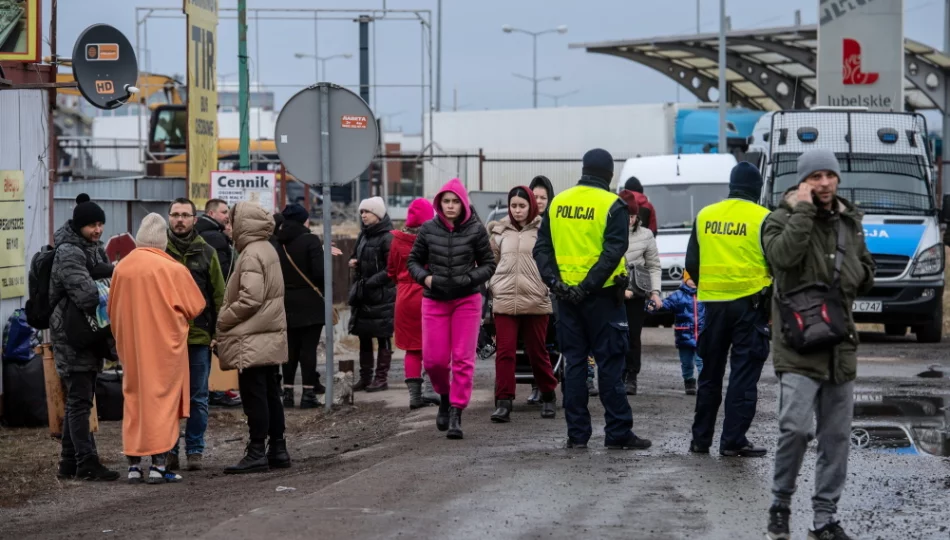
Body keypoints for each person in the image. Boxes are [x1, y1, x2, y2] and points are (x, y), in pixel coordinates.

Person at [762, 149, 874, 540]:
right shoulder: (779, 219)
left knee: (836, 438)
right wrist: (804, 212)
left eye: (830, 175)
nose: (824, 183)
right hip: (796, 345)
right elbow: (782, 259)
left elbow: (864, 269)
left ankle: (825, 519)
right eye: (816, 177)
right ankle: (780, 502)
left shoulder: (850, 222)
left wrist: (859, 273)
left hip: (840, 346)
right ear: (803, 181)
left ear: (837, 179)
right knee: (794, 429)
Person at [534, 148, 651, 451]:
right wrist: (586, 287)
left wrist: (556, 283)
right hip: (602, 299)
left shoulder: (558, 202)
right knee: (610, 364)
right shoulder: (613, 205)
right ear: (609, 174)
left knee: (574, 365)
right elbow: (613, 252)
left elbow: (542, 249)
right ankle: (617, 433)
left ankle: (577, 435)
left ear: (583, 170)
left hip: (566, 300)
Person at [109, 214, 206, 484]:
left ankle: (132, 466)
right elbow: (196, 306)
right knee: (163, 403)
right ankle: (158, 465)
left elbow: (111, 308)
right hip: (165, 348)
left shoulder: (122, 268)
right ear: (163, 240)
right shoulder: (172, 269)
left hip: (131, 347)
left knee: (135, 401)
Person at [684, 162, 772, 458]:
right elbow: (778, 265)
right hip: (750, 308)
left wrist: (711, 288)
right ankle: (732, 440)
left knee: (709, 374)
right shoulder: (764, 218)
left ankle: (700, 440)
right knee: (743, 376)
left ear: (731, 186)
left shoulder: (705, 215)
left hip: (713, 308)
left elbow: (692, 264)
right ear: (757, 189)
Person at [407, 178, 496, 440]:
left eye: (455, 201)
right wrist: (426, 278)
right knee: (434, 361)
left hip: (466, 301)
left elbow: (489, 264)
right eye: (446, 201)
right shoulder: (427, 230)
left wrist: (470, 279)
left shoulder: (476, 230)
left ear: (463, 204)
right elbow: (413, 261)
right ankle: (444, 397)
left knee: (462, 359)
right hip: (434, 300)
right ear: (439, 203)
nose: (450, 206)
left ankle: (457, 411)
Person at [50, 194, 120, 481]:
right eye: (92, 225)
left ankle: (69, 462)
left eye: (100, 224)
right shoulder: (69, 252)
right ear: (79, 226)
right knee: (80, 401)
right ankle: (87, 462)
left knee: (79, 399)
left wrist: (103, 272)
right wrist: (106, 275)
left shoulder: (93, 249)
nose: (98, 230)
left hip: (88, 334)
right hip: (73, 336)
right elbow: (88, 295)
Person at [217, 202, 290, 474]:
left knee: (254, 393)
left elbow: (250, 298)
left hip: (253, 337)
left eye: (231, 221)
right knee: (271, 392)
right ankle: (278, 448)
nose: (227, 226)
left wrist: (224, 318)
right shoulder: (267, 248)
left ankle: (257, 450)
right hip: (268, 334)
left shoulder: (249, 254)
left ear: (243, 224)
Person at [164, 198, 226, 472]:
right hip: (164, 340)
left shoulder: (207, 252)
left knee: (198, 398)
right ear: (168, 218)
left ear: (194, 219)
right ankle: (168, 451)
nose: (180, 220)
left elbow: (219, 295)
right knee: (167, 398)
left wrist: (217, 332)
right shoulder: (159, 252)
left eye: (185, 215)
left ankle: (195, 450)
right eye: (175, 215)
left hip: (198, 338)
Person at [487, 186, 558, 423]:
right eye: (513, 206)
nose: (517, 211)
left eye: (522, 206)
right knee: (505, 353)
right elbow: (492, 262)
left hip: (535, 298)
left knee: (538, 352)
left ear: (531, 206)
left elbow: (552, 261)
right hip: (505, 299)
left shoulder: (544, 230)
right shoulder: (499, 231)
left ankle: (548, 395)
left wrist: (546, 285)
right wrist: (492, 284)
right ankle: (504, 401)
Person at [275, 204, 329, 409]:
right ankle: (308, 394)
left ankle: (287, 393)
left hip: (285, 301)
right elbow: (319, 272)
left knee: (289, 349)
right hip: (310, 302)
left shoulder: (278, 243)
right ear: (303, 220)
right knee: (308, 349)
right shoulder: (310, 240)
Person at [388, 198, 437, 409]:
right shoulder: (433, 237)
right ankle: (430, 389)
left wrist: (402, 281)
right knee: (434, 346)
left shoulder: (397, 241)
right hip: (429, 293)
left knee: (412, 349)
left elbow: (391, 270)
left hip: (405, 296)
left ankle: (414, 397)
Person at [196, 199, 241, 409]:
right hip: (214, 304)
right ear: (211, 214)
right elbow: (224, 275)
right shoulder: (216, 238)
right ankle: (218, 390)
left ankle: (212, 390)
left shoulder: (200, 234)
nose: (227, 216)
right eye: (224, 212)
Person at [348, 196, 397, 392]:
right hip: (363, 295)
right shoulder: (363, 235)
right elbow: (356, 255)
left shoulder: (388, 237)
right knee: (364, 336)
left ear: (377, 214)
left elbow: (391, 270)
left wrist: (371, 282)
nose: (363, 215)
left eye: (367, 211)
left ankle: (381, 378)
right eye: (362, 212)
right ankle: (366, 377)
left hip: (382, 296)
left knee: (383, 336)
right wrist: (354, 262)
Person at [619, 190, 662, 396]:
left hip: (636, 294)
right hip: (614, 293)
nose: (629, 220)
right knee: (614, 336)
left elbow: (654, 266)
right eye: (626, 216)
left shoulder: (646, 236)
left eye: (633, 216)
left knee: (633, 336)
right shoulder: (606, 233)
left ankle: (631, 375)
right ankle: (617, 374)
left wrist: (654, 292)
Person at [658, 271, 705, 395]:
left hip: (702, 335)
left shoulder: (705, 295)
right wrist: (654, 305)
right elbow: (665, 304)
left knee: (702, 361)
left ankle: (704, 383)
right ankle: (689, 380)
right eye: (691, 278)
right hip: (684, 336)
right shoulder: (678, 296)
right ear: (685, 279)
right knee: (686, 362)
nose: (694, 280)